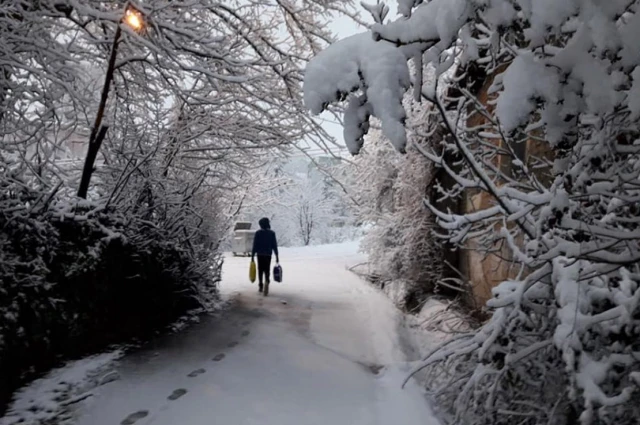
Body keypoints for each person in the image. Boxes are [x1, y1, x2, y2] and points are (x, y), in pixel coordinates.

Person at [251, 217, 279, 296]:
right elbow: (274, 245)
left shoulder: (258, 233)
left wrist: (252, 256)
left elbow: (255, 245)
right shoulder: (272, 233)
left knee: (260, 270)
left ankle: (260, 285)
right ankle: (267, 281)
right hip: (268, 254)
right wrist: (277, 256)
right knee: (267, 270)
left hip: (260, 254)